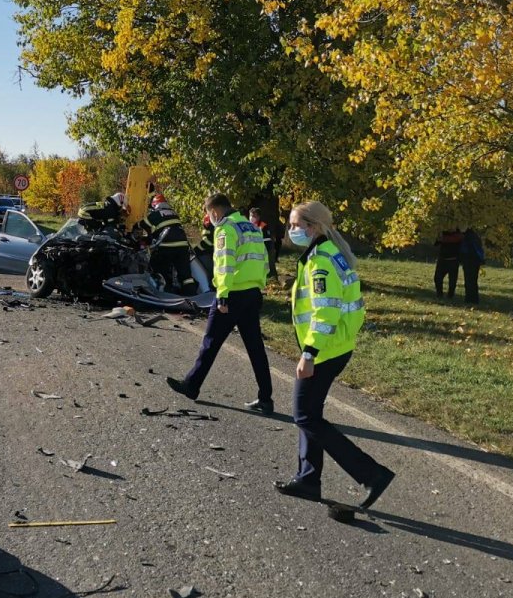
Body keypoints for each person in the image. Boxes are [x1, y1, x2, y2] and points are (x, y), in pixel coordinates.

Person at [274, 201, 395, 509]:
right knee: (309, 415)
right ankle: (308, 479)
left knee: (304, 415)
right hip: (334, 345)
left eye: (296, 225)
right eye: (290, 225)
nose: (291, 231)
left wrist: (310, 352)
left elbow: (325, 311)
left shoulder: (322, 262)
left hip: (325, 349)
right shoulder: (326, 254)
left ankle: (371, 473)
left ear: (313, 228)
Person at [168, 194, 273, 413]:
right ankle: (266, 399)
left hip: (231, 294)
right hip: (253, 293)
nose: (210, 218)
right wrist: (258, 287)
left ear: (214, 211)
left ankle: (191, 385)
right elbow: (264, 260)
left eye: (209, 214)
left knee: (211, 342)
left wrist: (223, 294)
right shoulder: (251, 227)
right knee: (256, 348)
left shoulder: (226, 228)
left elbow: (225, 264)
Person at [139, 193, 197, 296]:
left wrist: (148, 236)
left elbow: (142, 224)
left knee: (161, 270)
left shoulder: (156, 214)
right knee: (186, 275)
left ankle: (167, 294)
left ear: (155, 205)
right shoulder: (174, 213)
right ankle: (191, 296)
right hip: (183, 247)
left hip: (167, 246)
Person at [434, 227, 464, 299]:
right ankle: (441, 294)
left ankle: (448, 295)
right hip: (445, 259)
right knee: (438, 278)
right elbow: (436, 243)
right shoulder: (444, 233)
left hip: (452, 259)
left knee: (451, 280)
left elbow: (436, 243)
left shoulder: (457, 234)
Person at [249, 206, 278, 279]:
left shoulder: (263, 226)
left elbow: (267, 239)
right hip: (255, 249)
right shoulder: (248, 226)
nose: (251, 217)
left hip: (267, 247)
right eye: (250, 215)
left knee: (270, 263)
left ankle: (273, 276)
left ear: (258, 217)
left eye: (254, 216)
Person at [460, 227, 484, 305]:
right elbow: (479, 250)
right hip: (475, 261)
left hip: (469, 261)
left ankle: (469, 298)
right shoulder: (475, 238)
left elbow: (464, 250)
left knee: (468, 280)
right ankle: (474, 299)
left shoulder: (467, 238)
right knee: (473, 280)